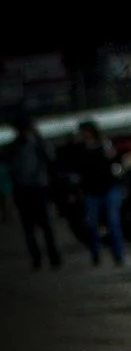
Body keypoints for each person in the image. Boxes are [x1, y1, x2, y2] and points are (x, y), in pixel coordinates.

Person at [58, 122, 126, 267]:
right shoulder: (80, 150)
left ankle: (118, 255)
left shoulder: (104, 145)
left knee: (113, 223)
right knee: (92, 224)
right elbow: (73, 167)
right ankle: (96, 254)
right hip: (91, 191)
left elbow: (116, 161)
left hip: (108, 187)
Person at [7, 111, 61, 269]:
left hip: (37, 187)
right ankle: (39, 258)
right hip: (25, 188)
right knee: (31, 227)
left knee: (43, 225)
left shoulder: (37, 143)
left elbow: (50, 159)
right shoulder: (16, 146)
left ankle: (51, 257)